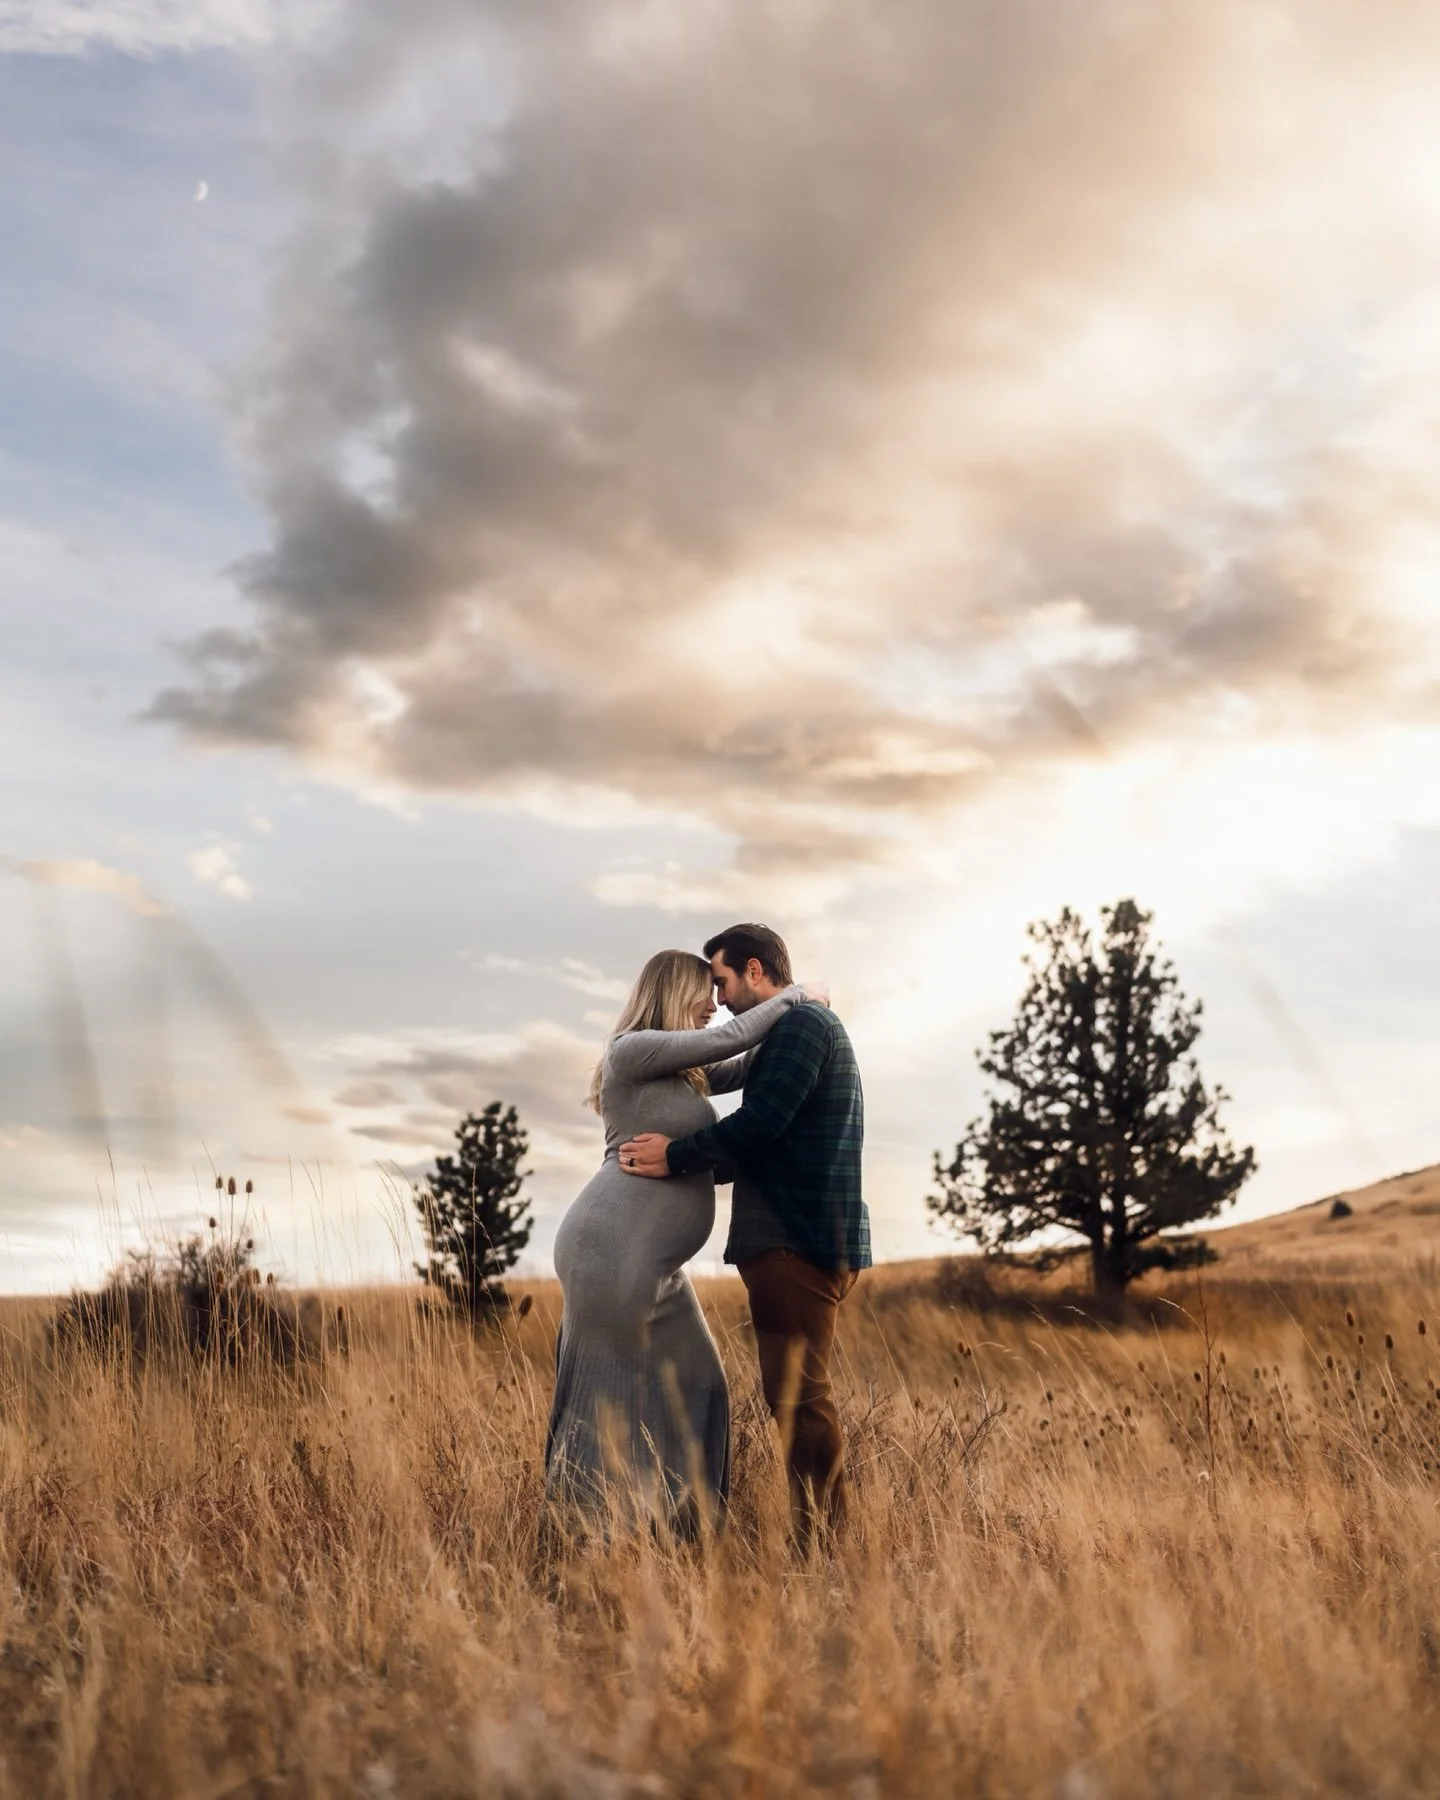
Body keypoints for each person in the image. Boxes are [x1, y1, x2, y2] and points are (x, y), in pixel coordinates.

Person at [545, 948, 818, 1537]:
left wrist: (803, 1029)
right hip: (610, 1249)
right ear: (672, 990)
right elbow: (733, 1038)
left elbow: (746, 1062)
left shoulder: (681, 1072)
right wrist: (795, 996)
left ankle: (681, 1532)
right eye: (706, 990)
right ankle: (582, 1541)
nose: (715, 1005)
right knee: (606, 1398)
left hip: (656, 1267)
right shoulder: (632, 1050)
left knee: (700, 1385)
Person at [620, 922, 869, 1553]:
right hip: (794, 1236)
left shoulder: (802, 1026)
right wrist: (696, 1161)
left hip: (793, 1238)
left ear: (755, 971)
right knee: (794, 1395)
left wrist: (676, 1156)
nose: (720, 998)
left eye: (723, 981)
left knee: (798, 1397)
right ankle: (822, 1541)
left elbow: (760, 1123)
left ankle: (826, 1548)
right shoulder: (788, 1033)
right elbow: (764, 1134)